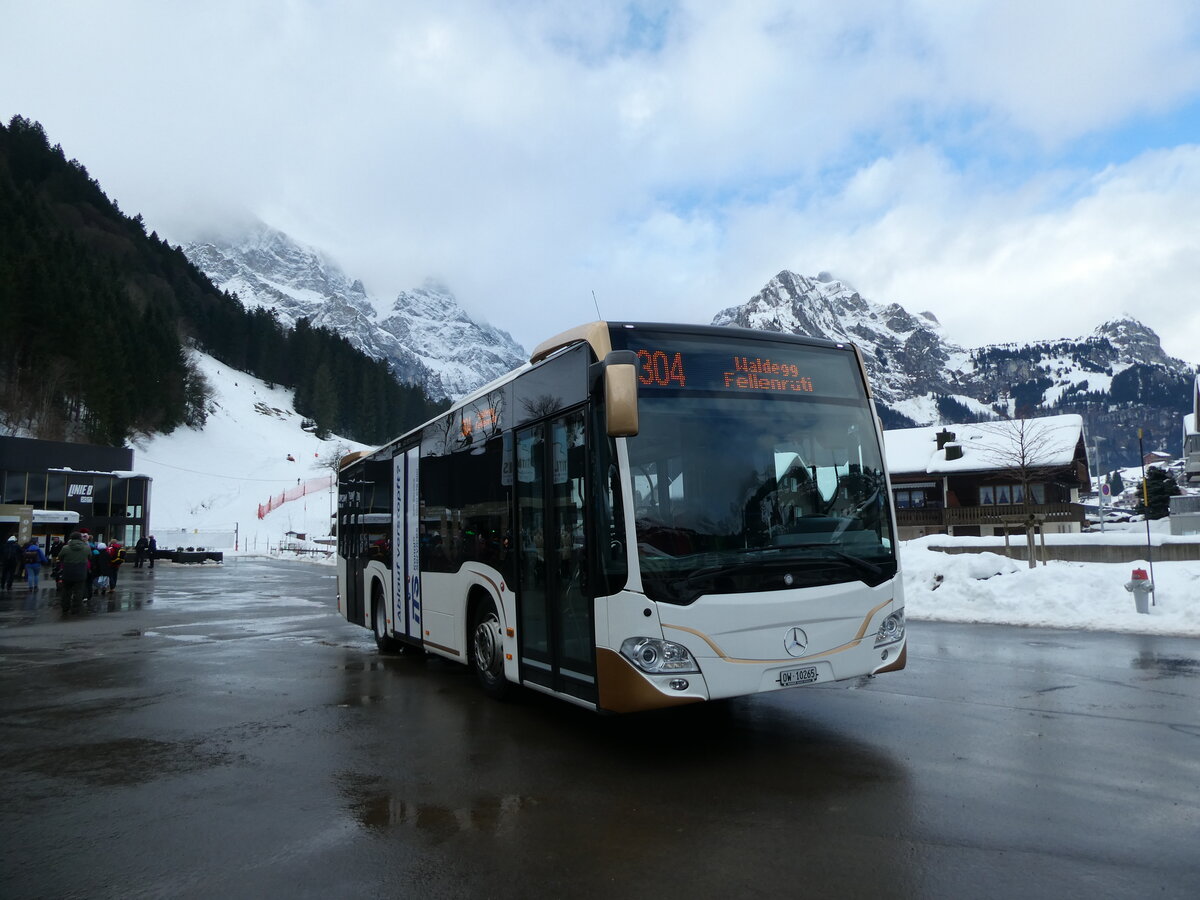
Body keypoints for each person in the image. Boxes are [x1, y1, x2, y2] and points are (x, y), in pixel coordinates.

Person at [57, 532, 92, 617]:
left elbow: (60, 557)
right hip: (81, 571)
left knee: (66, 590)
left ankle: (65, 607)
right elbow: (89, 557)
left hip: (68, 571)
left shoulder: (65, 548)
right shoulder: (86, 548)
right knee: (79, 591)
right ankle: (75, 608)